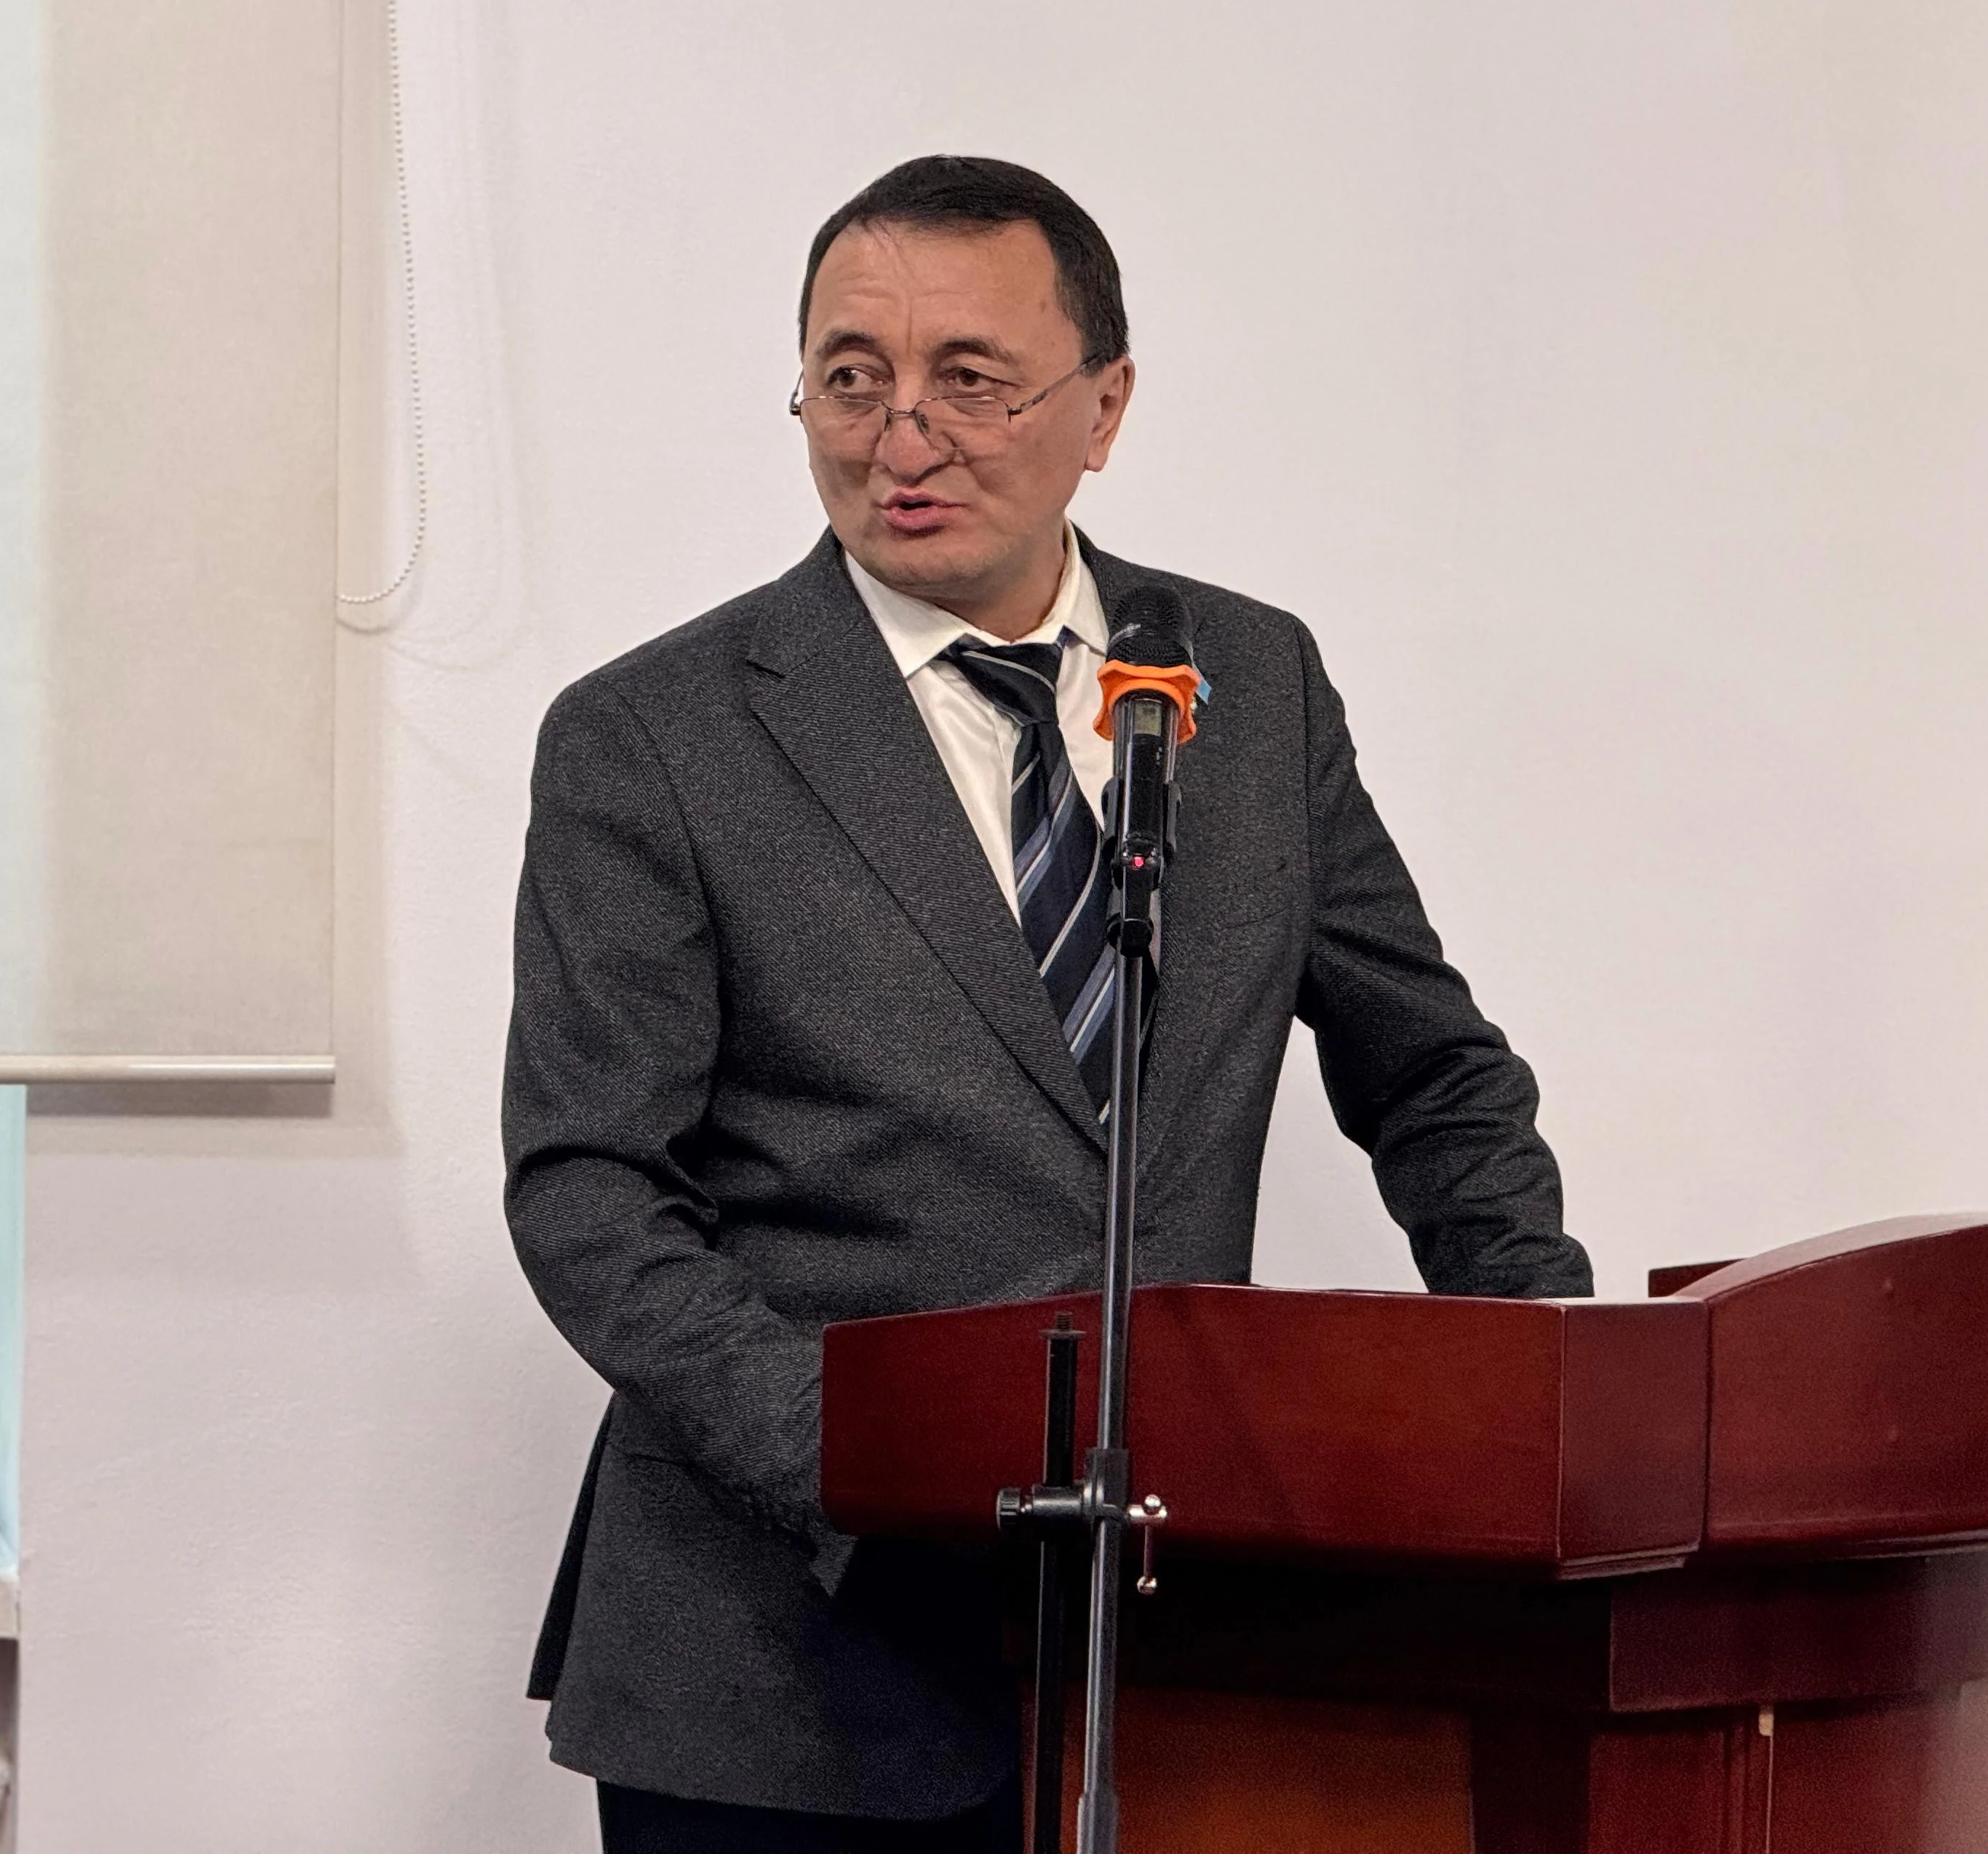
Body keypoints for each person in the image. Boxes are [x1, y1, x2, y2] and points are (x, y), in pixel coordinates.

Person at [503, 155, 1592, 1850]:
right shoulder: (654, 735)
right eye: (850, 377)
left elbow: (1431, 1070)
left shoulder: (1249, 681)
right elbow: (590, 1190)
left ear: (1106, 405)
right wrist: (865, 1464)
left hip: (1184, 1652)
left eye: (970, 380)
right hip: (785, 1666)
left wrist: (1550, 1387)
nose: (901, 437)